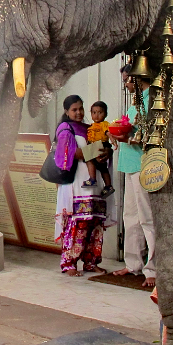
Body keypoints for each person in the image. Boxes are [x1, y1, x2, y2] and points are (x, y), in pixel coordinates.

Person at [53, 95, 114, 277]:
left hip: (93, 185)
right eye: (74, 109)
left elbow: (102, 148)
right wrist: (97, 151)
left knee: (95, 224)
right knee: (77, 223)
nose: (79, 113)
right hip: (76, 184)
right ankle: (69, 263)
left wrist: (106, 151)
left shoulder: (91, 128)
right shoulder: (65, 129)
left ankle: (91, 262)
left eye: (81, 108)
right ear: (66, 111)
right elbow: (68, 153)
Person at [111, 64, 156, 287]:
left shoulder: (151, 101)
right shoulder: (136, 102)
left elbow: (150, 137)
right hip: (129, 163)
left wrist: (126, 138)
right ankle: (133, 263)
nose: (126, 85)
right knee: (131, 217)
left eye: (128, 80)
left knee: (147, 218)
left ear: (138, 79)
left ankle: (153, 269)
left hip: (143, 165)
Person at [82, 101, 115, 198]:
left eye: (100, 113)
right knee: (96, 164)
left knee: (96, 163)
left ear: (105, 114)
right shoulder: (91, 126)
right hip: (94, 145)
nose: (96, 115)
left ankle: (99, 182)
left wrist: (113, 142)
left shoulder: (104, 124)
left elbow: (108, 133)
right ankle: (101, 183)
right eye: (94, 112)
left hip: (101, 145)